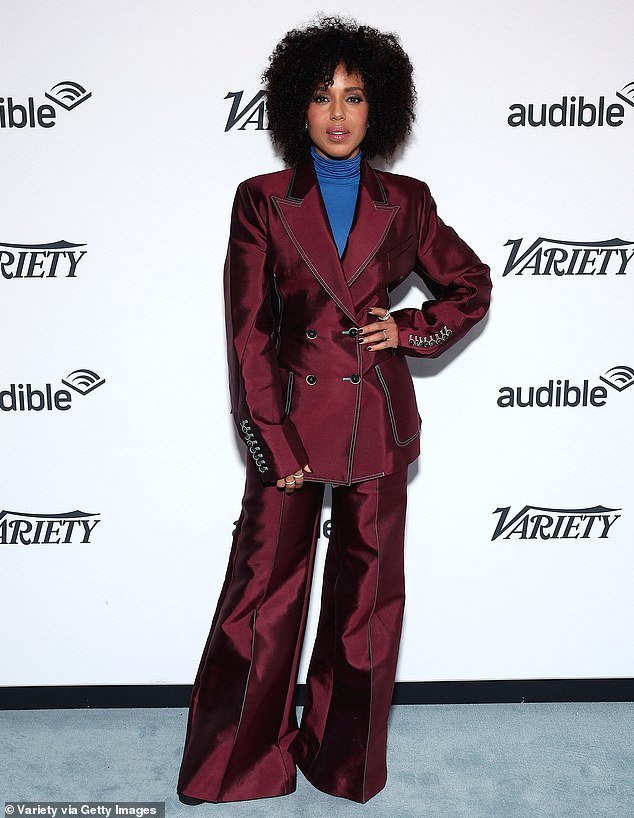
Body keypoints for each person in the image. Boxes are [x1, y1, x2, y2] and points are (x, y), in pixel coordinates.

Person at [176, 13, 492, 805]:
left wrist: (410, 329)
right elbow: (247, 334)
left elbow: (470, 284)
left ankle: (343, 760)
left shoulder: (408, 200)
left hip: (376, 423)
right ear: (296, 109)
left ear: (377, 106)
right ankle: (236, 766)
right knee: (260, 603)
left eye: (355, 96)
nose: (341, 113)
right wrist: (271, 445)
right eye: (323, 97)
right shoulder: (260, 200)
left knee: (369, 607)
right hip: (289, 426)